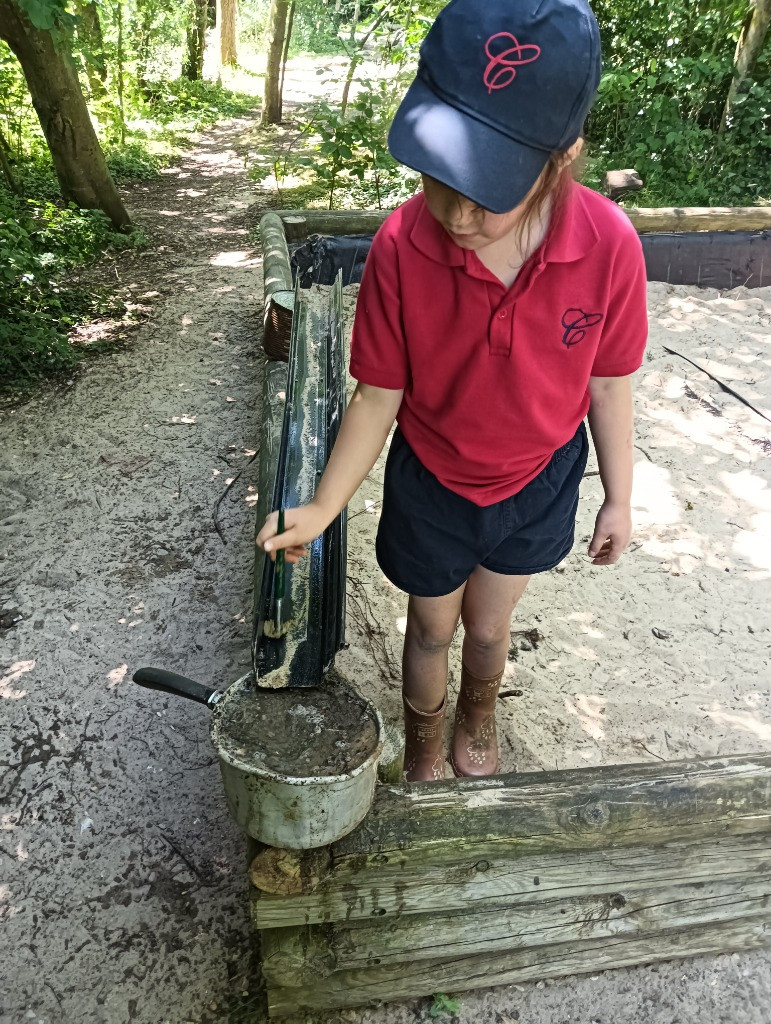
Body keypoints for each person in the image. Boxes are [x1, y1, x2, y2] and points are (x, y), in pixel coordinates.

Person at [257, 0, 648, 782]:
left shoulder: (608, 246)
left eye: (490, 185)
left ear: (560, 157)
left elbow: (608, 381)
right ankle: (425, 739)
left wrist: (619, 495)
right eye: (441, 175)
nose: (459, 212)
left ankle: (478, 711)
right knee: (430, 627)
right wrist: (325, 506)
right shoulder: (403, 245)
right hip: (431, 481)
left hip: (539, 481)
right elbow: (377, 396)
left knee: (490, 627)